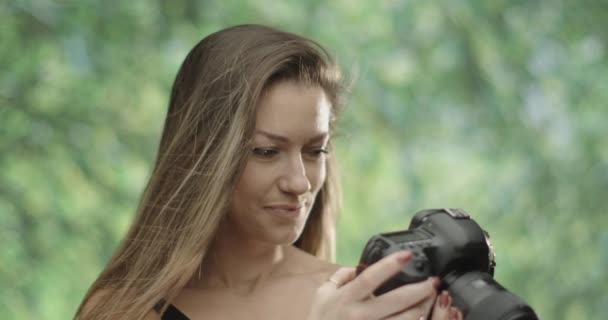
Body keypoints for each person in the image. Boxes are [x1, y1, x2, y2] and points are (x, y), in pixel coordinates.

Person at [75, 24, 463, 320]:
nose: (299, 182)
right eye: (265, 151)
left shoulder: (367, 304)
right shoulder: (122, 309)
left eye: (316, 150)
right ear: (201, 157)